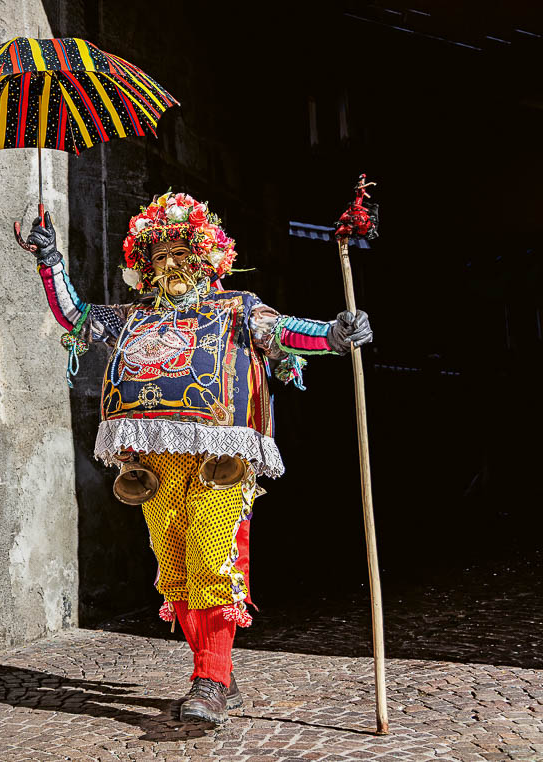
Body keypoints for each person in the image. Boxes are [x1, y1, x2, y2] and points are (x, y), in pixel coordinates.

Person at [21, 192, 372, 725]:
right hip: (153, 462)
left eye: (181, 253)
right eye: (159, 256)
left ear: (205, 257)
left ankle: (208, 680)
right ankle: (217, 671)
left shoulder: (237, 308)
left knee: (212, 558)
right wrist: (50, 261)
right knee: (175, 567)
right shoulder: (130, 317)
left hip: (220, 458)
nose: (170, 264)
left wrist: (334, 334)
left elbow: (284, 330)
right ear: (147, 266)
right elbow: (76, 315)